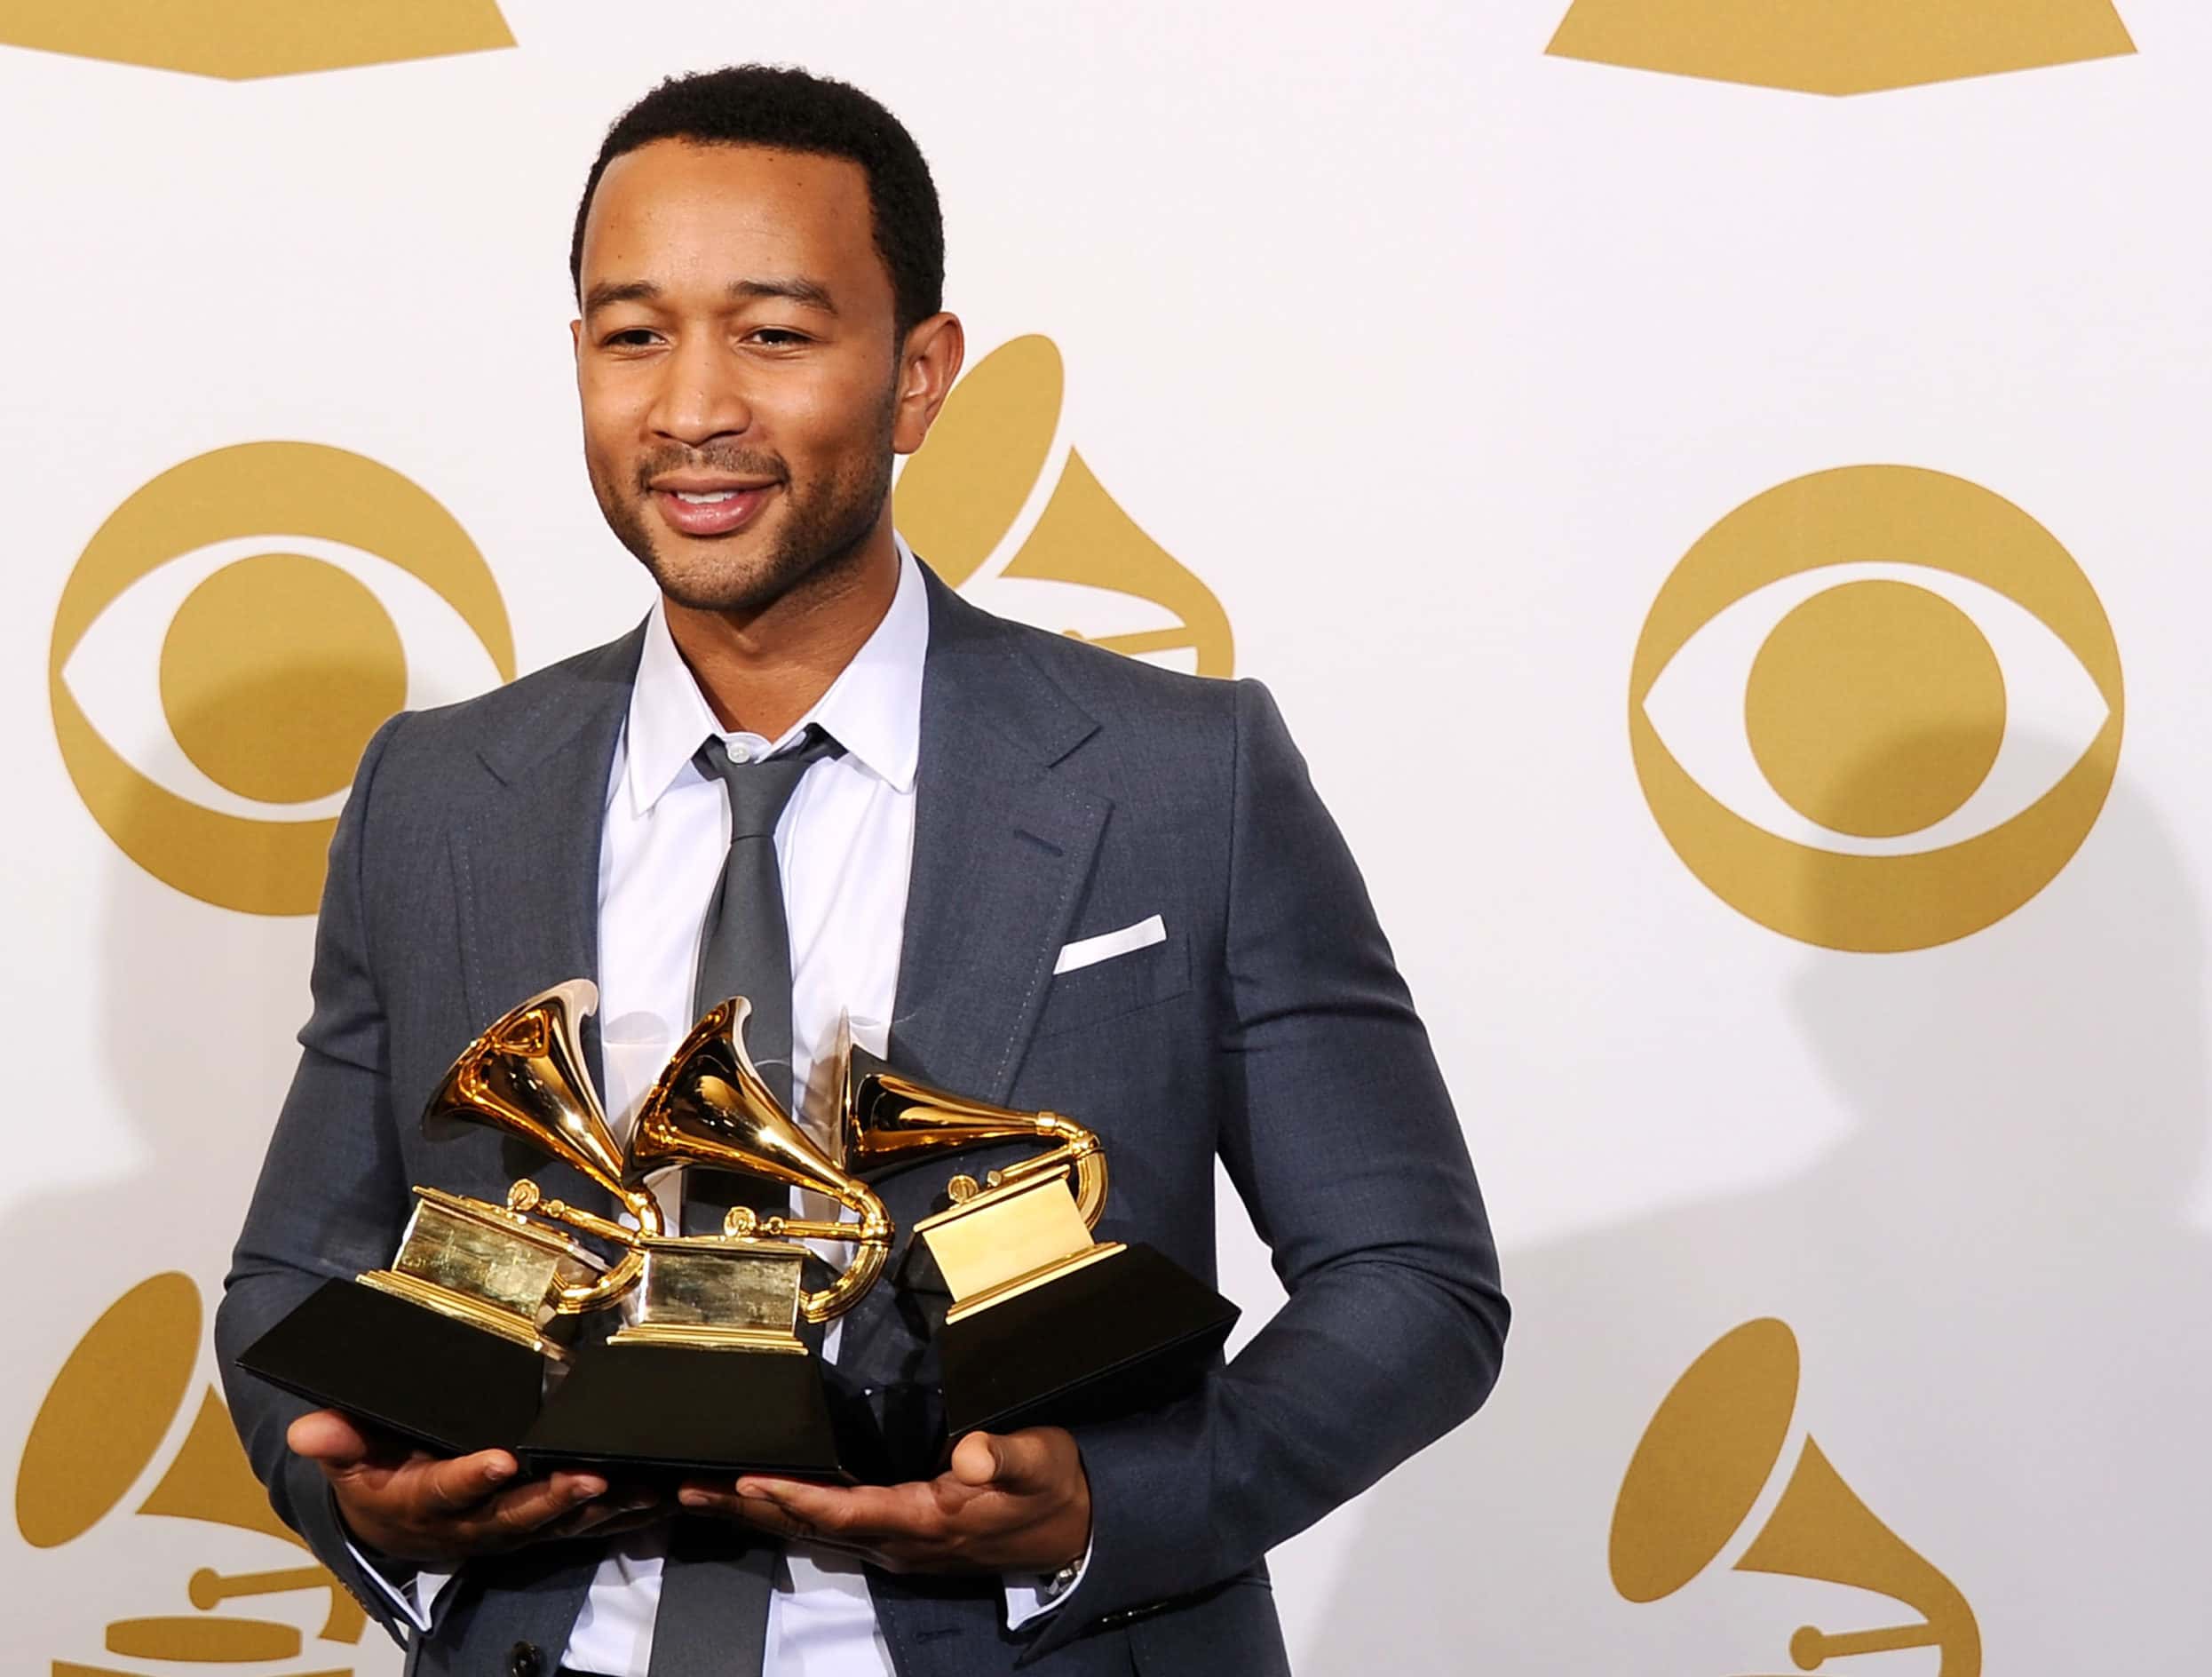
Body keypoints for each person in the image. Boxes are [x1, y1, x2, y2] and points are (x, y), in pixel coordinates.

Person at [217, 64, 1506, 1677]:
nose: (691, 408)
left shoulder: (1185, 774)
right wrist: (375, 1510)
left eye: (772, 333)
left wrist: (1106, 1507)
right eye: (634, 336)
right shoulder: (436, 793)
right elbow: (292, 1274)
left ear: (917, 377)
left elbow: (1411, 1283)